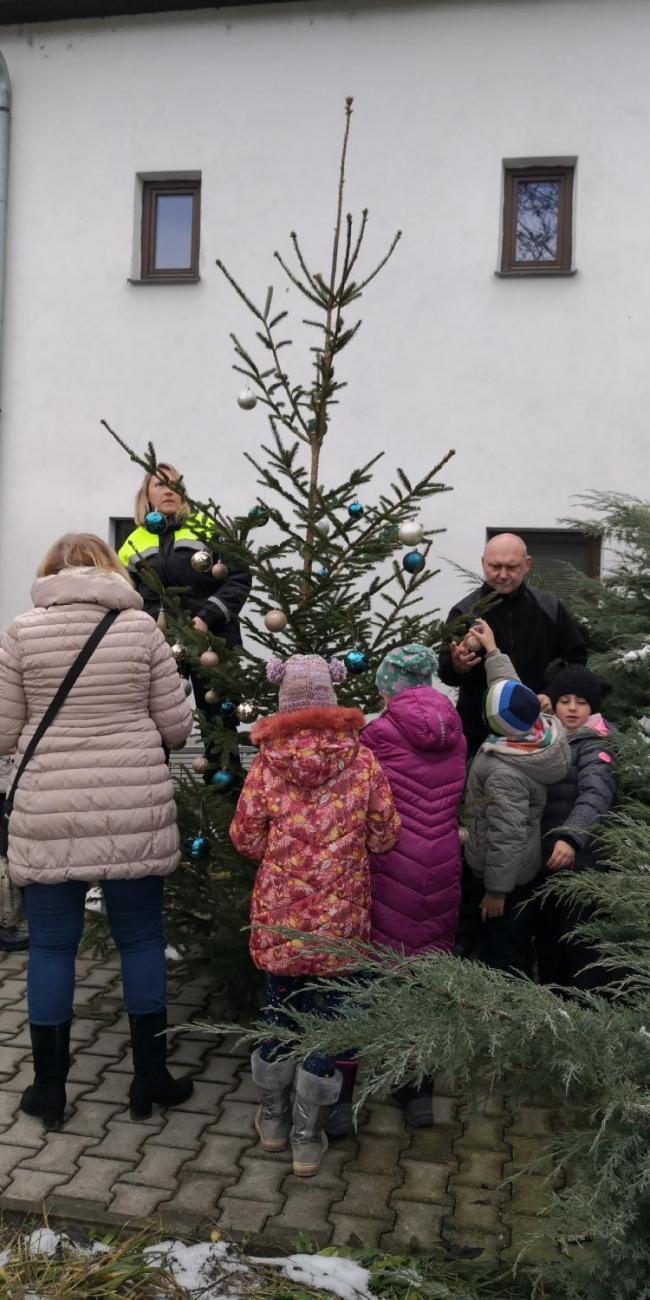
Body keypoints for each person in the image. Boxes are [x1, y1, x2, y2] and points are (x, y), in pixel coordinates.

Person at [0, 534, 194, 1130]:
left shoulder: (21, 630)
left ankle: (50, 1091)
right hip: (132, 803)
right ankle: (150, 1080)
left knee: (52, 946)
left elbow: (3, 734)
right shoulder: (142, 630)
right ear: (111, 572)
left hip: (50, 807)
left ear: (49, 572)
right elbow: (176, 728)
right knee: (140, 940)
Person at [229, 653, 400, 1177]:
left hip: (281, 917)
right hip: (340, 920)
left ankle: (275, 1120)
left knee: (280, 1010)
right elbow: (385, 835)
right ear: (330, 699)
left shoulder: (266, 762)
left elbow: (244, 838)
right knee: (327, 1022)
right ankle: (309, 1135)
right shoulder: (362, 760)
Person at [361, 644, 466, 1128]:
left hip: (391, 860)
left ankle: (374, 1072)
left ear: (387, 687)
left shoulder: (377, 734)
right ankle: (419, 1090)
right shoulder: (455, 731)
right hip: (443, 858)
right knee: (427, 966)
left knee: (385, 966)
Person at [118, 464, 252, 774]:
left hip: (213, 642)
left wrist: (206, 617)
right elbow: (125, 596)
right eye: (159, 485)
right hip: (158, 646)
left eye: (174, 484)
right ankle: (152, 798)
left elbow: (239, 577)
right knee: (155, 727)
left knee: (220, 723)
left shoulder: (207, 527)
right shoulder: (131, 544)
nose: (167, 490)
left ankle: (226, 802)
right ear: (147, 495)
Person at [462, 619, 570, 976]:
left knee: (503, 952)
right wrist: (492, 651)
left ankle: (505, 1012)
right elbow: (510, 689)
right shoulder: (531, 727)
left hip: (505, 881)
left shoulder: (505, 771)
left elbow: (506, 835)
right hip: (518, 871)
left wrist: (496, 891)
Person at [438, 533, 587, 756]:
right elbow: (445, 672)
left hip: (540, 731)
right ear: (483, 563)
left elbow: (577, 661)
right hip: (479, 734)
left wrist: (552, 694)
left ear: (527, 565)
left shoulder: (550, 608)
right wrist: (458, 666)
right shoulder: (464, 612)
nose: (503, 575)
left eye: (512, 567)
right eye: (495, 566)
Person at [536, 662, 617, 989]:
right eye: (565, 699)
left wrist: (571, 838)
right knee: (550, 949)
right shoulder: (550, 736)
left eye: (581, 702)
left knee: (581, 952)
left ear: (592, 707)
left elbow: (596, 794)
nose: (572, 708)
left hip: (582, 864)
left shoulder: (596, 741)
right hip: (549, 864)